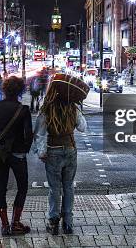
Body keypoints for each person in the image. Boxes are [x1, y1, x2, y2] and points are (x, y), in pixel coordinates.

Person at [34, 82, 87, 235]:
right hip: (70, 149)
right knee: (69, 187)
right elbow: (82, 127)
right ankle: (68, 223)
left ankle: (53, 222)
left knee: (54, 188)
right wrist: (78, 112)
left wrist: (42, 152)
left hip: (53, 151)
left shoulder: (47, 108)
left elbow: (40, 133)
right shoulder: (72, 108)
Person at [0, 76, 33, 236]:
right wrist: (25, 148)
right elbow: (28, 134)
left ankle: (5, 225)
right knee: (22, 187)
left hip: (1, 153)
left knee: (1, 188)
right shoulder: (23, 110)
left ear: (4, 90)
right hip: (18, 153)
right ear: (20, 91)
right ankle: (16, 223)